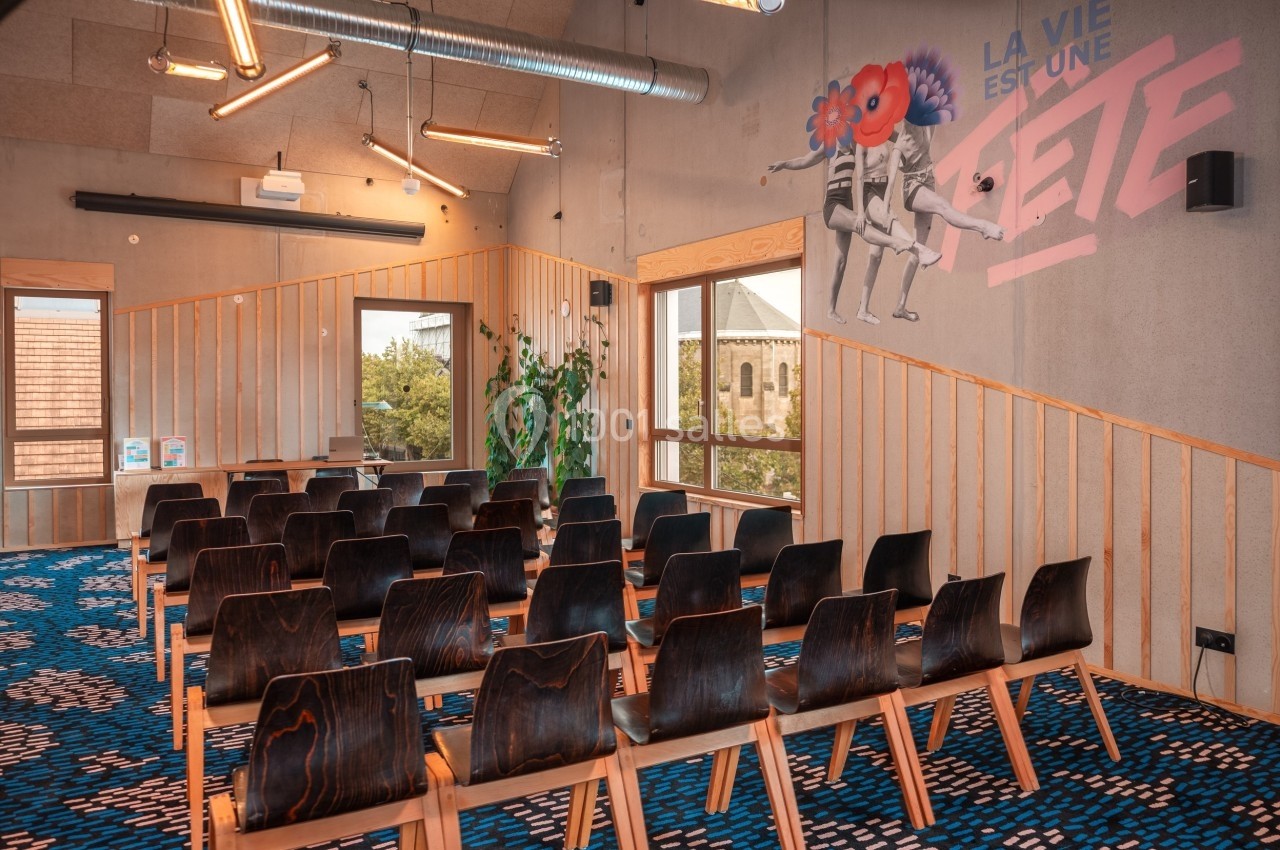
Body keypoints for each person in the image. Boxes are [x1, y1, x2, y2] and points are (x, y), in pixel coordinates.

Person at [768, 144, 940, 324]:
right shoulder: (829, 146)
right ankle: (896, 243)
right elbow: (805, 160)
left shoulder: (854, 147)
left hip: (847, 202)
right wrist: (785, 164)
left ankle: (831, 309)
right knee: (861, 226)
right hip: (833, 205)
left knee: (841, 262)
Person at [882, 122, 1005, 322]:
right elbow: (891, 180)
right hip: (913, 190)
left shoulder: (923, 128)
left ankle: (900, 306)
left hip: (927, 184)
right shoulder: (899, 145)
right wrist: (886, 208)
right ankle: (982, 227)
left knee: (917, 252)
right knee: (942, 205)